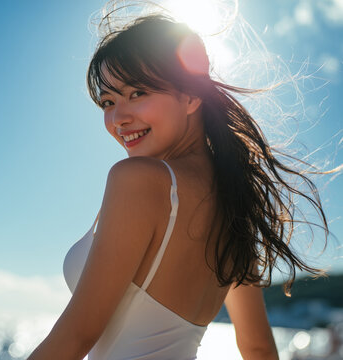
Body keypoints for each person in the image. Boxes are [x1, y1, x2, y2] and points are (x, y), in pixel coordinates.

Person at [27, 5, 330, 360]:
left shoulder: (139, 181)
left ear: (190, 96)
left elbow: (76, 337)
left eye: (137, 93)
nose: (118, 119)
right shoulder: (237, 208)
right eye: (108, 101)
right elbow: (258, 347)